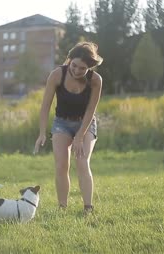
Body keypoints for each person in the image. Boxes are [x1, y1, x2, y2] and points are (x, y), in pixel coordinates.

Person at [33, 41, 103, 215]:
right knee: (61, 165)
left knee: (82, 161)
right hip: (61, 123)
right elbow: (45, 106)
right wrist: (42, 132)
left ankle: (88, 208)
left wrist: (80, 136)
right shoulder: (57, 75)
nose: (77, 70)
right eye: (74, 65)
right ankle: (62, 208)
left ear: (90, 68)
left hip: (85, 123)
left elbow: (90, 111)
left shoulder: (95, 81)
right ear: (69, 60)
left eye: (82, 68)